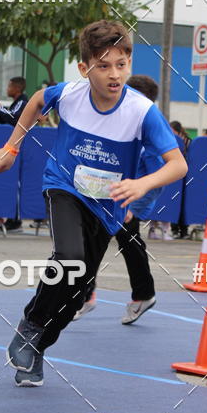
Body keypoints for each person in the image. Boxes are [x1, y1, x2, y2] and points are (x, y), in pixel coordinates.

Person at [0, 19, 187, 387]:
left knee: (78, 293)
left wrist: (143, 184)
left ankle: (37, 347)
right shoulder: (71, 95)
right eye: (104, 65)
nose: (114, 74)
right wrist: (12, 147)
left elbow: (178, 164)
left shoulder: (141, 111)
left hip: (104, 207)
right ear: (84, 68)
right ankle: (30, 324)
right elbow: (35, 100)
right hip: (64, 187)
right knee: (69, 258)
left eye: (122, 64)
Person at [74, 74, 165, 324]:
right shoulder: (123, 123)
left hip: (126, 200)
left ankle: (85, 296)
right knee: (126, 246)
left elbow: (159, 176)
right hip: (111, 194)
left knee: (98, 245)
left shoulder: (150, 130)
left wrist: (135, 207)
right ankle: (141, 295)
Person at [0, 76, 29, 231]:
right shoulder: (17, 102)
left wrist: (0, 109)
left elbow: (13, 118)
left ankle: (15, 220)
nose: (7, 89)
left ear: (17, 88)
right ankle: (10, 218)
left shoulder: (22, 101)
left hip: (22, 149)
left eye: (9, 86)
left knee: (18, 183)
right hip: (15, 148)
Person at [169, 121, 190, 238]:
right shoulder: (169, 140)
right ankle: (175, 229)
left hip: (187, 178)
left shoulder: (187, 141)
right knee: (174, 202)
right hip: (176, 177)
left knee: (184, 204)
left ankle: (184, 230)